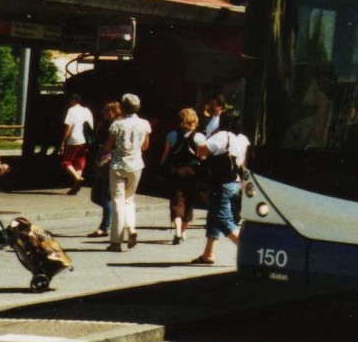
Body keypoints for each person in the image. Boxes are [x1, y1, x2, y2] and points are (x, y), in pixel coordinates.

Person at [192, 107, 249, 265]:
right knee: (213, 218)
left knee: (224, 220)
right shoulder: (243, 139)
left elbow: (201, 151)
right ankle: (208, 254)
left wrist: (208, 136)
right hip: (235, 183)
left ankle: (248, 248)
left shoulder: (222, 136)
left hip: (220, 183)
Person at [101, 93, 151, 252]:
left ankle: (116, 241)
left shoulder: (117, 124)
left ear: (122, 107)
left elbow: (108, 146)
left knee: (117, 201)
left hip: (118, 165)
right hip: (136, 165)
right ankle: (132, 228)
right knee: (129, 200)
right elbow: (145, 147)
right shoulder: (145, 124)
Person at [160, 107, 204, 245]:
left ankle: (178, 232)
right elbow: (203, 157)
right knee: (189, 201)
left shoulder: (172, 135)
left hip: (176, 172)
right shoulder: (199, 137)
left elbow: (165, 155)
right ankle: (183, 232)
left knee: (176, 201)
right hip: (192, 173)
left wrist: (162, 168)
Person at [86, 100, 122, 238]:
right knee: (95, 196)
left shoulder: (116, 125)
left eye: (106, 111)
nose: (103, 113)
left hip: (108, 162)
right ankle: (112, 212)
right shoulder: (106, 124)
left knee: (105, 196)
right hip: (101, 161)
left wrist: (101, 153)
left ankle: (104, 226)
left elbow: (108, 145)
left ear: (112, 111)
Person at [59, 94, 94, 195]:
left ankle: (78, 178)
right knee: (79, 162)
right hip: (84, 140)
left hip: (74, 139)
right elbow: (91, 126)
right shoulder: (86, 111)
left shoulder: (72, 110)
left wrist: (63, 141)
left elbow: (69, 127)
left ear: (74, 100)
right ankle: (75, 186)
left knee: (66, 162)